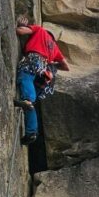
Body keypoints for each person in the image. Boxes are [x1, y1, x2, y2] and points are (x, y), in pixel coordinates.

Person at [14, 17, 70, 145]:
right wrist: (52, 64)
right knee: (31, 98)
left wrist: (20, 25)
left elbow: (20, 31)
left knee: (26, 77)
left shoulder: (40, 30)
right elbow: (66, 67)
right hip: (45, 72)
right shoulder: (54, 47)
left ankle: (28, 105)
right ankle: (31, 131)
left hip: (34, 58)